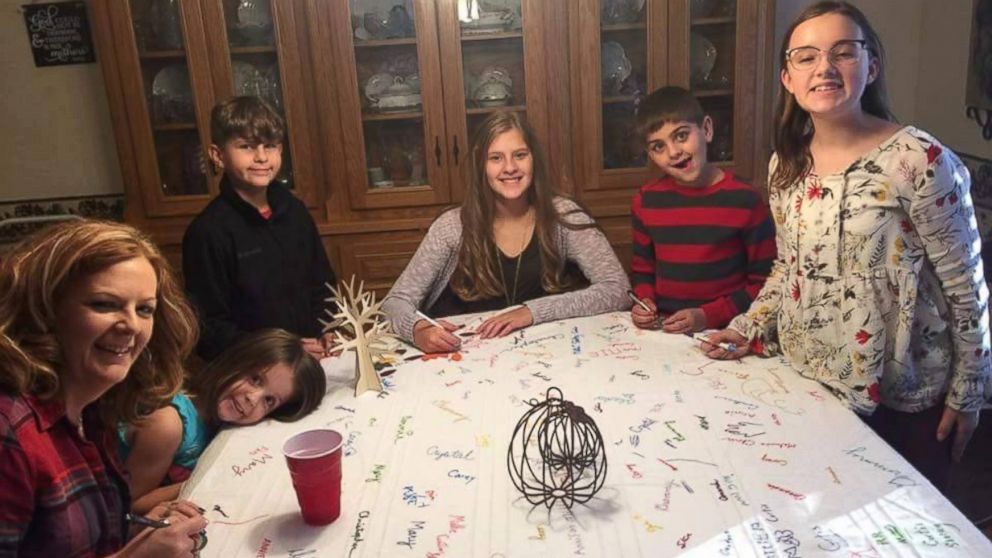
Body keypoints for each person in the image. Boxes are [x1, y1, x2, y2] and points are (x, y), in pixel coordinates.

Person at [701, 1, 990, 489]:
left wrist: (970, 390)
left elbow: (967, 284)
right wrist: (747, 326)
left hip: (902, 391)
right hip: (807, 379)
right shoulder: (785, 164)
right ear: (787, 78)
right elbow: (788, 269)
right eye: (806, 57)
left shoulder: (920, 159)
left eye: (844, 52)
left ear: (871, 65)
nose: (825, 68)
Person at [0, 220, 208, 557]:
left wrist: (136, 528)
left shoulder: (93, 410)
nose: (131, 326)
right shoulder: (9, 429)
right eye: (104, 304)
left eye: (144, 309)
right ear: (45, 309)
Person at [382, 111, 630, 353]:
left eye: (520, 155)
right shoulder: (452, 227)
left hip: (548, 354)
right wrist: (418, 329)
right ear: (481, 167)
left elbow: (618, 289)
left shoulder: (563, 215)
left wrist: (531, 312)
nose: (510, 167)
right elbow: (393, 304)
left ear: (534, 159)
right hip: (469, 361)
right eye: (496, 158)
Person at [183, 96, 337, 362]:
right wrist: (280, 351)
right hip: (253, 369)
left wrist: (328, 326)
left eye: (271, 146)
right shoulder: (208, 232)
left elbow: (322, 285)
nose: (262, 157)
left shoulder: (295, 212)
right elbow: (209, 329)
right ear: (218, 155)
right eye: (246, 146)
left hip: (312, 361)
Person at [118, 328, 326, 514]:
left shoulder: (215, 416)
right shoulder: (167, 425)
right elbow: (130, 505)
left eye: (269, 400)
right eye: (255, 379)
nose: (252, 398)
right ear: (237, 361)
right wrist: (210, 477)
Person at [629, 86, 776, 334]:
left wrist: (709, 315)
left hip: (726, 331)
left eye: (681, 136)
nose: (674, 152)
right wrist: (644, 302)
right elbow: (643, 272)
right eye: (658, 147)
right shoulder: (646, 201)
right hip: (664, 331)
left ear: (706, 129)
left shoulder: (744, 199)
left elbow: (766, 284)